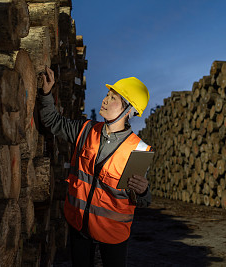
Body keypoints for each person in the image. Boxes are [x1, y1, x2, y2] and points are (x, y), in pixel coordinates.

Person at [39, 66, 152, 267]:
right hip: (79, 224)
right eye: (107, 94)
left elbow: (142, 200)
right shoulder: (86, 130)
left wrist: (143, 192)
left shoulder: (138, 149)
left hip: (113, 232)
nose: (105, 100)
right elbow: (52, 121)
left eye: (113, 97)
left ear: (129, 110)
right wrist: (46, 93)